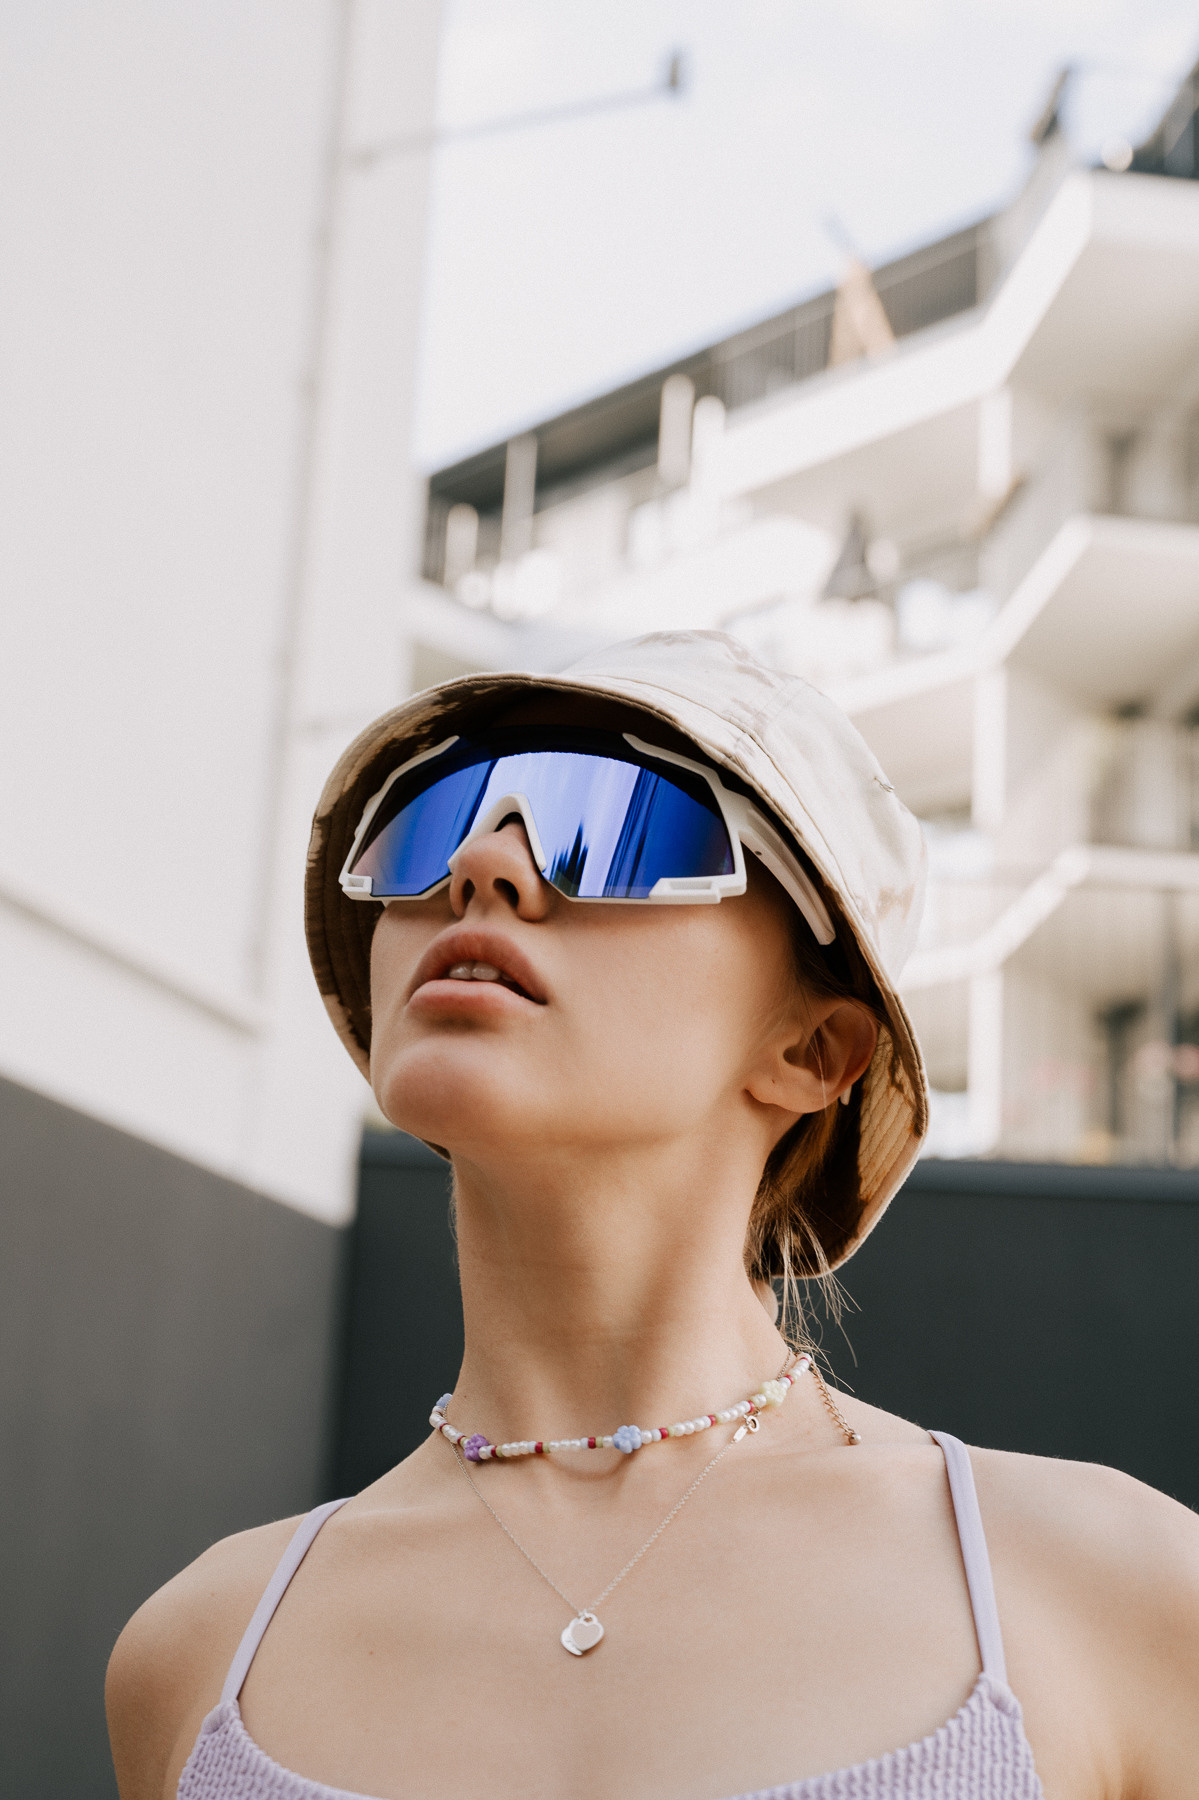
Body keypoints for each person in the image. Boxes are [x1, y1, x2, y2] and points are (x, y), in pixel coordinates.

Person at [108, 633, 1199, 1800]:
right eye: (429, 821)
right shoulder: (201, 1654)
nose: (482, 865)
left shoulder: (1109, 1593)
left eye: (615, 825)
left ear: (811, 1049)